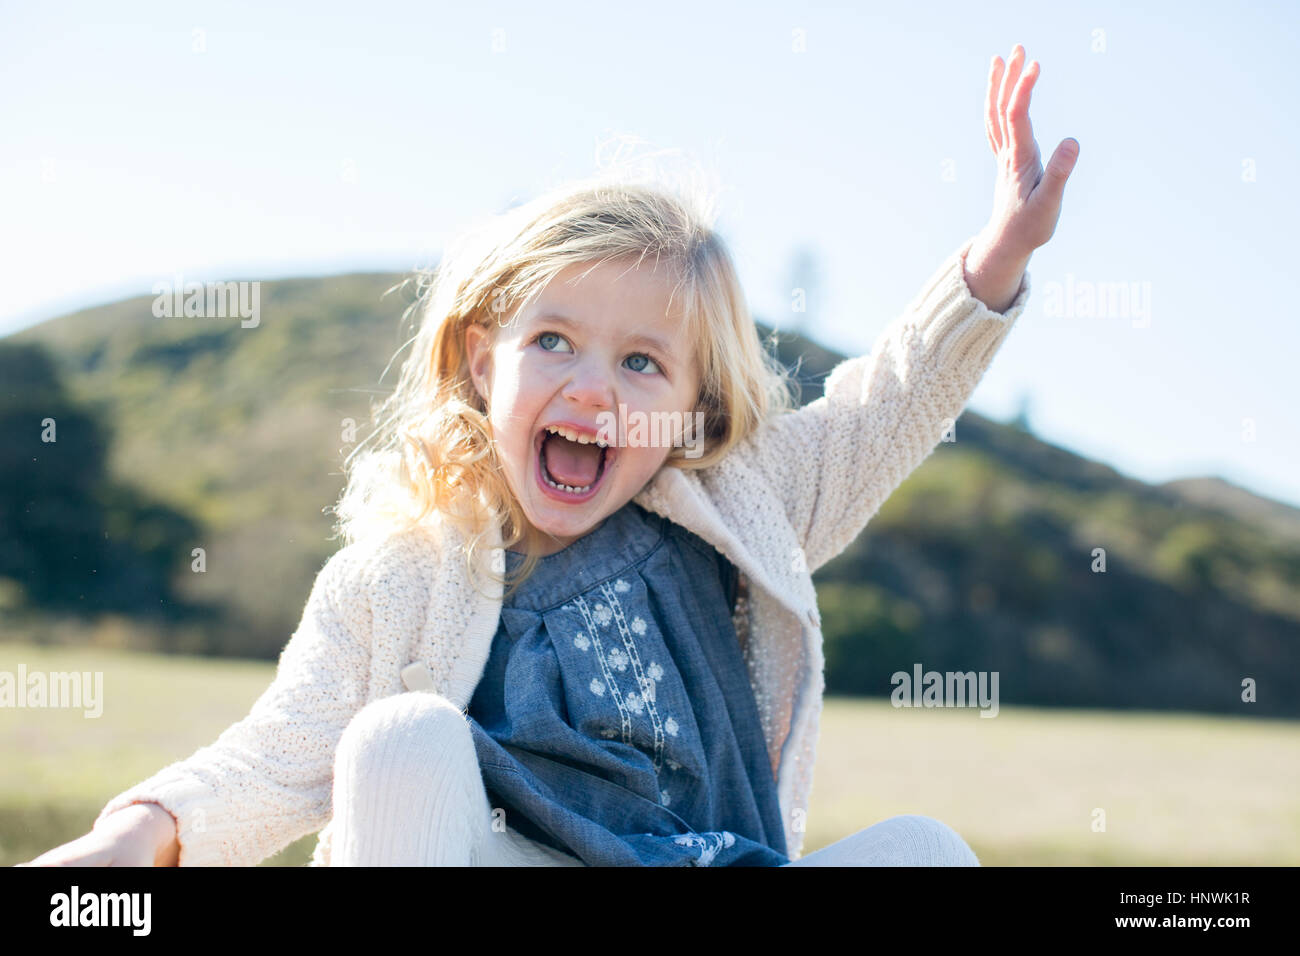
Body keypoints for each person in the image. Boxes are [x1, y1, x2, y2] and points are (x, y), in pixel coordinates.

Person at [21, 44, 1076, 868]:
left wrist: (996, 259)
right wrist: (132, 838)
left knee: (929, 851)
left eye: (642, 363)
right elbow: (270, 757)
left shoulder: (741, 501)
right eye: (554, 341)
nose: (592, 389)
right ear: (484, 362)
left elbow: (880, 407)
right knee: (399, 738)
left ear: (691, 406)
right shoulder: (400, 574)